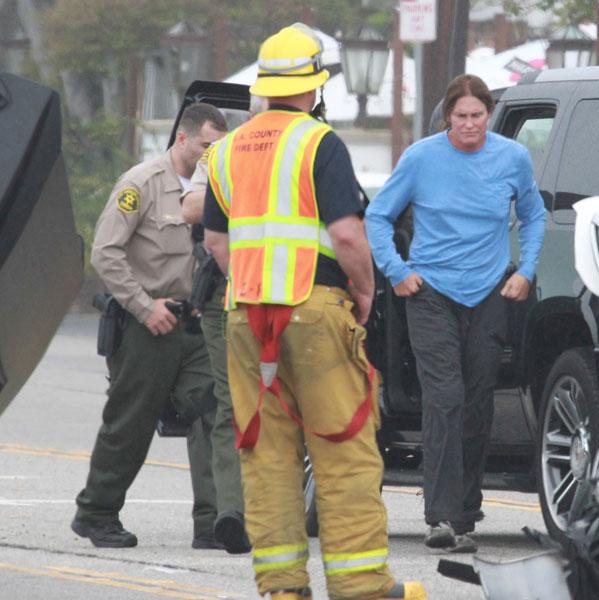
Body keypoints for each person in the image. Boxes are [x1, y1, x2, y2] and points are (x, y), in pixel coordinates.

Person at [203, 23, 425, 600]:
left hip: (246, 319)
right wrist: (366, 291)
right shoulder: (318, 143)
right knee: (342, 446)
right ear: (315, 87)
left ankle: (281, 588)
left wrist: (254, 283)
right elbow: (348, 235)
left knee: (266, 454)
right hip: (316, 309)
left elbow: (215, 244)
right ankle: (362, 588)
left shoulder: (224, 151)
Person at [365, 74, 546, 553]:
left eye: (478, 115)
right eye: (461, 116)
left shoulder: (512, 157)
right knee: (444, 396)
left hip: (488, 291)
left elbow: (534, 215)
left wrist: (525, 269)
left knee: (478, 399)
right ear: (448, 116)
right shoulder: (422, 157)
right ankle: (440, 518)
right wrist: (397, 271)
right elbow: (377, 216)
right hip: (430, 291)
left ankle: (465, 513)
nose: (469, 124)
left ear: (489, 115)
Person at [72, 103, 228, 549]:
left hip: (193, 320)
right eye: (205, 146)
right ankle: (96, 513)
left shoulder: (215, 189)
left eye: (218, 148)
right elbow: (106, 252)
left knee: (216, 406)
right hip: (146, 324)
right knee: (130, 420)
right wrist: (142, 307)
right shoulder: (141, 183)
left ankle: (213, 519)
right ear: (182, 138)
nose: (210, 155)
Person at [178, 97, 268, 555]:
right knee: (230, 400)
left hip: (290, 295)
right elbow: (192, 208)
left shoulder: (313, 149)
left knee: (282, 406)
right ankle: (230, 512)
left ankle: (271, 512)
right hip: (226, 294)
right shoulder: (225, 153)